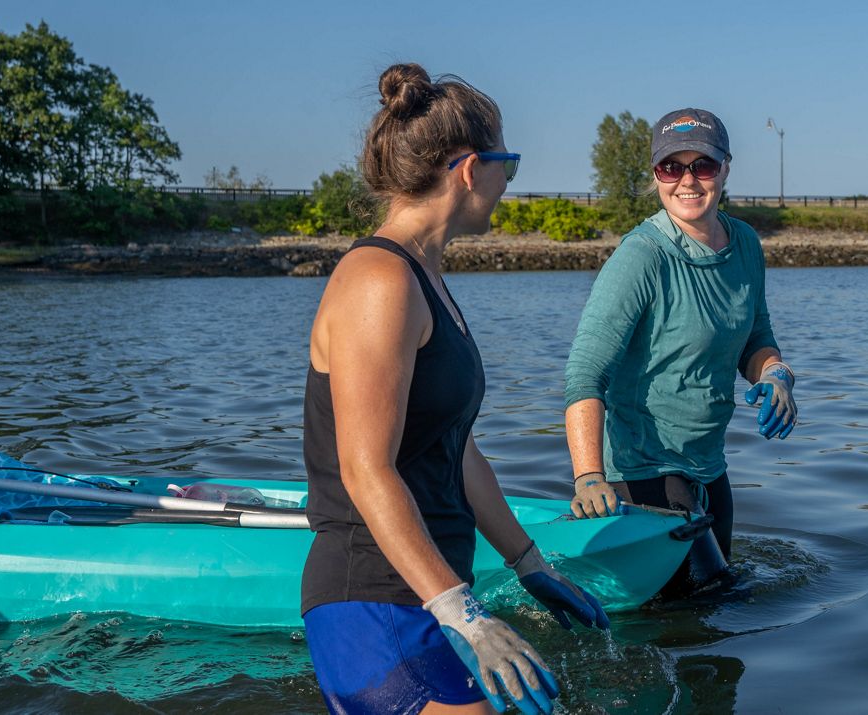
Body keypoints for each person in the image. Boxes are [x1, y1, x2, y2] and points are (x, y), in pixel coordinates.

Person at [301, 63, 608, 715]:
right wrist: (463, 612)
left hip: (424, 592)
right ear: (471, 169)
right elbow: (364, 469)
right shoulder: (378, 280)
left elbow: (458, 452)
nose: (507, 187)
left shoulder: (426, 281)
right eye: (509, 166)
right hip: (374, 599)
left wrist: (530, 563)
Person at [564, 107, 798, 595]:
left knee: (712, 616)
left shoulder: (747, 245)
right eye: (672, 167)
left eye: (702, 166)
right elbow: (586, 374)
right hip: (643, 473)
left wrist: (775, 375)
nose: (687, 181)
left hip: (710, 468)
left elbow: (756, 337)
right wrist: (588, 476)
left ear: (725, 169)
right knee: (699, 606)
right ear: (655, 176)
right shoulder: (641, 258)